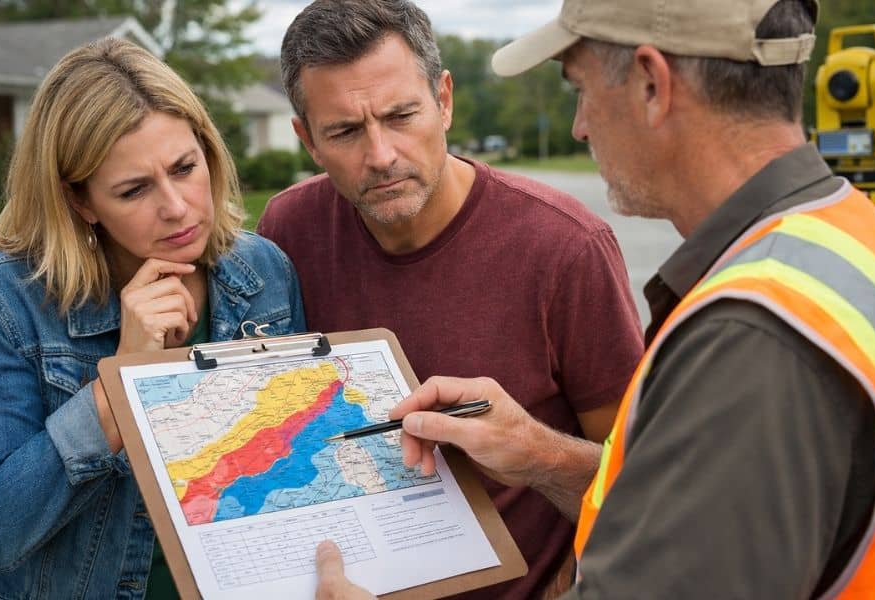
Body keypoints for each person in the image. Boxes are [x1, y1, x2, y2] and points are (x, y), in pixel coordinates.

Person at [314, 0, 875, 597]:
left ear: (652, 84)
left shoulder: (749, 335)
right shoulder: (854, 239)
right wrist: (534, 453)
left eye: (580, 88)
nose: (580, 125)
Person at [257, 1, 645, 597]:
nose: (381, 155)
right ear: (307, 138)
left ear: (444, 100)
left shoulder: (567, 247)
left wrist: (534, 451)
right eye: (345, 131)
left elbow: (640, 486)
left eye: (401, 115)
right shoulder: (287, 230)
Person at [0, 37, 306, 600]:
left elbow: (288, 468)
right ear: (81, 202)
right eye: (134, 190)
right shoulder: (3, 302)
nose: (177, 207)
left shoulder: (263, 273)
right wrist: (122, 380)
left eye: (185, 167)